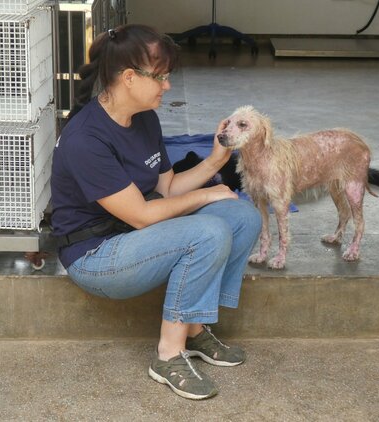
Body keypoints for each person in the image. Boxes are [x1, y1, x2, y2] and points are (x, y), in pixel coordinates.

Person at [50, 24, 262, 400]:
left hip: (137, 238)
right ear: (129, 78)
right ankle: (168, 355)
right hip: (97, 255)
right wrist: (206, 197)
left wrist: (216, 160)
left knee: (243, 217)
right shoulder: (86, 138)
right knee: (208, 231)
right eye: (161, 77)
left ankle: (194, 329)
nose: (167, 86)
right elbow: (143, 215)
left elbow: (165, 188)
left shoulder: (145, 116)